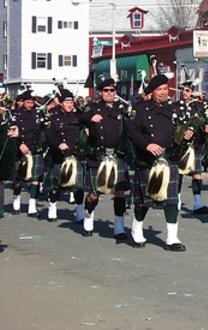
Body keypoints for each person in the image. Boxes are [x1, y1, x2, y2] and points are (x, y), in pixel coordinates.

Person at [127, 74, 192, 251]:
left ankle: (172, 238)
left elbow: (179, 133)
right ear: (152, 92)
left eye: (165, 89)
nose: (163, 93)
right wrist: (147, 144)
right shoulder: (140, 109)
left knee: (171, 200)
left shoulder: (174, 110)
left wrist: (186, 137)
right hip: (148, 160)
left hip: (169, 159)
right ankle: (137, 229)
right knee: (144, 199)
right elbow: (132, 132)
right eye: (159, 90)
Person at [78, 78, 132, 239]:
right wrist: (89, 120)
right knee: (95, 193)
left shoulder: (121, 109)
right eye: (106, 90)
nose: (109, 93)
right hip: (98, 155)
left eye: (112, 90)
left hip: (117, 155)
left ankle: (119, 227)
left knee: (120, 192)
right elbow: (78, 117)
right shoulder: (92, 107)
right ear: (100, 92)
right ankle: (88, 215)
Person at [44, 89, 85, 222]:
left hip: (74, 155)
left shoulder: (78, 117)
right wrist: (58, 144)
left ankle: (79, 213)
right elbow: (48, 135)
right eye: (67, 102)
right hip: (58, 155)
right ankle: (52, 209)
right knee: (55, 186)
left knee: (78, 187)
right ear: (61, 103)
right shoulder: (54, 117)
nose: (69, 104)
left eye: (71, 102)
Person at [175, 81, 208, 215]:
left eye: (188, 90)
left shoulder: (200, 106)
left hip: (195, 144)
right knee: (179, 173)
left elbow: (205, 122)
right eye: (183, 90)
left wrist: (207, 128)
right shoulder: (174, 106)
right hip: (180, 144)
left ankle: (198, 202)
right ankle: (176, 199)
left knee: (197, 174)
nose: (185, 93)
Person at [10, 90, 48, 217]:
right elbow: (10, 133)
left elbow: (45, 128)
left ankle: (32, 206)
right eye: (28, 102)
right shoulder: (15, 115)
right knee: (18, 180)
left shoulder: (38, 114)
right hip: (20, 149)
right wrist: (20, 144)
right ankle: (16, 198)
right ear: (22, 102)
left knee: (36, 179)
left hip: (35, 148)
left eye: (32, 102)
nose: (30, 105)